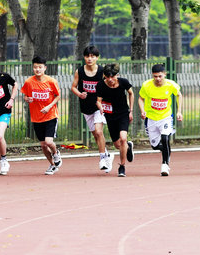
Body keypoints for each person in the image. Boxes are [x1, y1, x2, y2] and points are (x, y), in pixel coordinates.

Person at [71, 45, 113, 173]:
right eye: (88, 56)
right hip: (86, 106)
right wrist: (79, 94)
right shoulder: (80, 71)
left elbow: (110, 85)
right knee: (95, 134)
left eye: (93, 56)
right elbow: (73, 87)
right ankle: (107, 155)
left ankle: (102, 159)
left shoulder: (102, 72)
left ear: (97, 58)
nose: (90, 59)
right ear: (84, 57)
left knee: (99, 132)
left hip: (99, 106)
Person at [138, 63, 182, 176]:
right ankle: (167, 151)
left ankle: (165, 165)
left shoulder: (170, 85)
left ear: (164, 74)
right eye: (155, 76)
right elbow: (140, 99)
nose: (158, 79)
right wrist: (142, 110)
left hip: (165, 117)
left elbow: (179, 95)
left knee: (165, 137)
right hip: (151, 118)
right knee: (155, 146)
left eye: (160, 76)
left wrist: (179, 111)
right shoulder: (147, 85)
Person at [21, 55, 62, 175]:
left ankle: (56, 153)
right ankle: (52, 165)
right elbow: (25, 96)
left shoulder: (51, 81)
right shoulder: (29, 82)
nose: (37, 69)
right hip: (36, 118)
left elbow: (58, 96)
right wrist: (27, 99)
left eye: (40, 67)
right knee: (43, 145)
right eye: (35, 67)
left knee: (49, 142)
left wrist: (49, 106)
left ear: (45, 68)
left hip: (50, 116)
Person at [96, 63, 134, 177]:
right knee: (118, 145)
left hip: (123, 114)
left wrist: (131, 111)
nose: (110, 79)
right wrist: (101, 107)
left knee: (123, 138)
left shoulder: (123, 82)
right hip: (110, 116)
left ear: (117, 75)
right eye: (108, 77)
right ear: (104, 76)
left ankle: (122, 166)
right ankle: (128, 147)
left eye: (113, 76)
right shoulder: (101, 85)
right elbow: (98, 100)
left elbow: (131, 93)